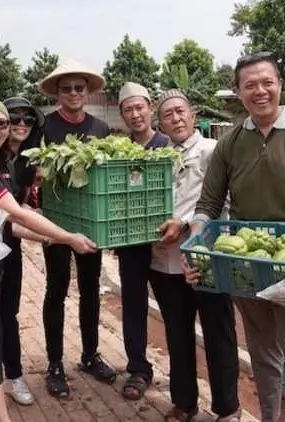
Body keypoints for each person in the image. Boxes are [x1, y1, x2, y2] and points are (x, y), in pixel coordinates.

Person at [188, 52, 285, 422]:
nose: (260, 91)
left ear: (279, 85)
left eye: (266, 82)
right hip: (245, 264)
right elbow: (208, 204)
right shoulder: (231, 142)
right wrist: (195, 249)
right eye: (250, 85)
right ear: (239, 92)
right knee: (262, 355)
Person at [0, 97, 97, 422]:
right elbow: (15, 212)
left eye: (1, 123)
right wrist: (68, 237)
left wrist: (55, 237)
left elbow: (9, 225)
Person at [154, 89, 241, 422]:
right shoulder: (159, 156)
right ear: (159, 123)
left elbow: (225, 200)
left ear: (192, 115)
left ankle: (227, 408)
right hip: (165, 261)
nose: (175, 119)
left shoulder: (212, 151)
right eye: (167, 115)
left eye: (180, 112)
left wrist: (187, 224)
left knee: (218, 332)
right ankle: (185, 403)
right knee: (176, 332)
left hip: (206, 257)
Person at [36, 57, 118, 397]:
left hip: (90, 223)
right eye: (66, 88)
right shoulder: (45, 126)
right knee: (56, 290)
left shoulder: (100, 128)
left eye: (78, 88)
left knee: (89, 289)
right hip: (56, 223)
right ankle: (54, 363)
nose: (73, 93)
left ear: (87, 92)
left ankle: (89, 355)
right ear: (57, 92)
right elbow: (30, 173)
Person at [113, 81, 169, 401]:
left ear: (150, 107)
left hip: (165, 241)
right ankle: (138, 369)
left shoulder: (167, 144)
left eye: (139, 107)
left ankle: (183, 371)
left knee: (173, 308)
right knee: (133, 305)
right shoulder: (119, 150)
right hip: (131, 242)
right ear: (122, 114)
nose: (135, 114)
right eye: (128, 110)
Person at [0, 96, 45, 405]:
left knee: (8, 314)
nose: (21, 124)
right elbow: (8, 217)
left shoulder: (27, 162)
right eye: (13, 118)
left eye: (28, 120)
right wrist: (55, 236)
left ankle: (13, 376)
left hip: (10, 248)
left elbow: (24, 205)